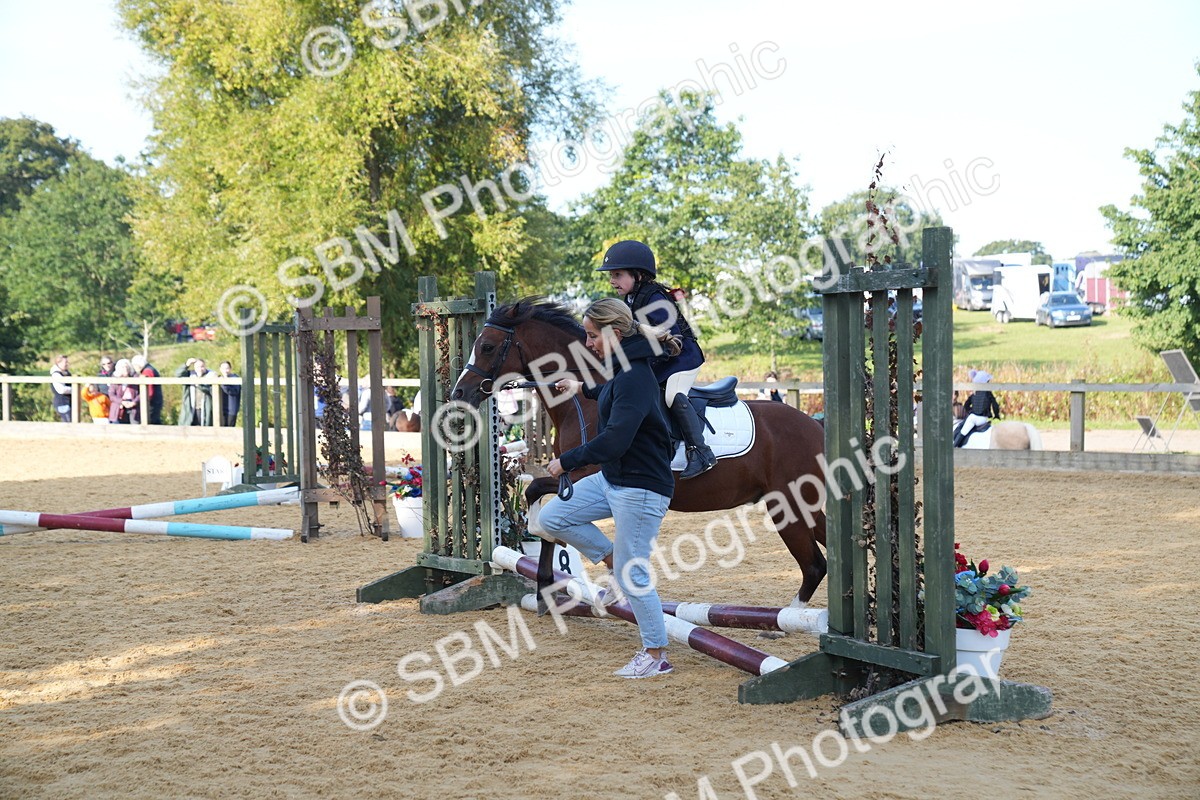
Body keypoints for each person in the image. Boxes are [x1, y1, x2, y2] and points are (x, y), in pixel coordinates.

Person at [541, 298, 678, 679]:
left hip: (641, 488)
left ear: (614, 335)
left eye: (591, 336)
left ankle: (656, 654)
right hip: (614, 479)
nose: (588, 344)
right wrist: (580, 386)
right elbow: (610, 394)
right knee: (553, 516)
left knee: (635, 576)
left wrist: (566, 461)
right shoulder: (623, 370)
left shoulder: (635, 375)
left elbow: (615, 438)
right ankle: (610, 561)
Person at [597, 239, 715, 479]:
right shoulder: (630, 299)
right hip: (661, 359)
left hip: (683, 358)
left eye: (618, 275)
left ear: (638, 275)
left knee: (671, 395)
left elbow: (674, 341)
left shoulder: (655, 299)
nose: (612, 280)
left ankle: (701, 452)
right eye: (612, 275)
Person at [954, 369, 1002, 447]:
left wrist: (970, 411)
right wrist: (996, 415)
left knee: (963, 431)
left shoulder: (974, 394)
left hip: (974, 418)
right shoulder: (988, 393)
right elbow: (995, 405)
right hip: (984, 419)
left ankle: (954, 447)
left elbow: (966, 405)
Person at [177, 358, 213, 426]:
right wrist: (187, 364)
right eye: (197, 367)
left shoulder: (210, 375)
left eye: (202, 366)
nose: (200, 369)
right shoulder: (189, 375)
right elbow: (178, 374)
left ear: (205, 366)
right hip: (190, 407)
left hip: (204, 408)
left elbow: (210, 390)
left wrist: (198, 384)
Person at [131, 355, 164, 425]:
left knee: (151, 422)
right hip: (156, 401)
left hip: (152, 403)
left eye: (135, 365)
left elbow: (149, 391)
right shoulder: (150, 369)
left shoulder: (147, 371)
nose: (134, 368)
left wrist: (142, 400)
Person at [107, 359, 140, 424]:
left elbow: (141, 393)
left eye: (127, 367)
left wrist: (134, 402)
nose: (125, 369)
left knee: (135, 426)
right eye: (123, 367)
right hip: (119, 406)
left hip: (133, 405)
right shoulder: (114, 378)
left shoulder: (135, 378)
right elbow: (111, 395)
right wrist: (121, 401)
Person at [217, 361, 241, 427]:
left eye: (227, 368)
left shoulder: (235, 378)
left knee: (230, 429)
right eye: (223, 368)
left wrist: (223, 384)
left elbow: (233, 391)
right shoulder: (218, 379)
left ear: (230, 369)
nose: (225, 370)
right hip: (221, 409)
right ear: (220, 369)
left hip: (231, 410)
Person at [49, 355, 72, 422]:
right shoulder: (56, 374)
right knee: (67, 423)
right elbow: (61, 390)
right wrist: (75, 390)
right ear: (59, 363)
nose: (67, 364)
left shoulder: (66, 373)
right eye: (65, 362)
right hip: (62, 402)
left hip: (69, 401)